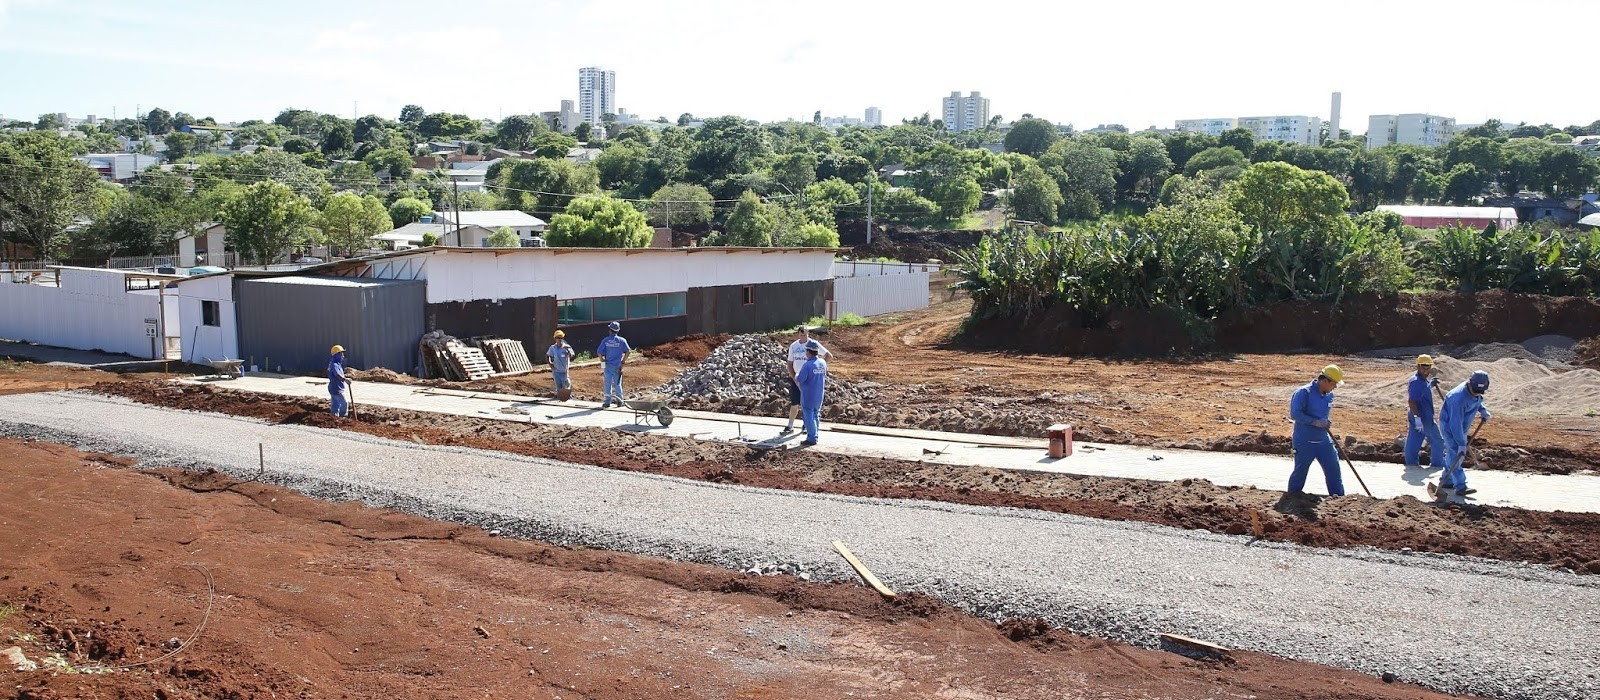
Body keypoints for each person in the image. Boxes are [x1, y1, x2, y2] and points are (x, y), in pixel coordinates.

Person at [1287, 364, 1345, 497]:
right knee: (1300, 471)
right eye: (1334, 384)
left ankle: (1338, 498)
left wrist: (1324, 422)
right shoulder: (1303, 393)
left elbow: (1322, 414)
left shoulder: (1329, 396)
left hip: (1323, 441)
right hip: (1304, 440)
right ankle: (1293, 498)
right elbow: (1295, 414)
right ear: (1325, 381)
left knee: (1333, 469)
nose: (1335, 387)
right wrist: (1314, 422)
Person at [1435, 370, 1492, 499]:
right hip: (1450, 428)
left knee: (1453, 455)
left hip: (1462, 426)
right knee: (1456, 455)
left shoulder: (1474, 389)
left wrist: (1482, 410)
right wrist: (1461, 443)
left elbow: (1476, 399)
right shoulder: (1458, 398)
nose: (1477, 393)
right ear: (1470, 384)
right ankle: (1461, 486)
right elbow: (1455, 425)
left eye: (1480, 392)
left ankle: (1447, 480)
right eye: (1476, 390)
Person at [784, 326, 832, 433]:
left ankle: (807, 425)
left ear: (808, 334)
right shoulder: (794, 346)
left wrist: (818, 367)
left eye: (805, 335)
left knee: (808, 403)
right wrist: (793, 377)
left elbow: (828, 355)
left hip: (809, 378)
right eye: (801, 335)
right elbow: (789, 363)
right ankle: (790, 425)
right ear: (798, 334)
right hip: (797, 377)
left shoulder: (812, 344)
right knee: (795, 402)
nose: (803, 337)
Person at [1403, 354, 1446, 469]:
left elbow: (1422, 392)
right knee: (1438, 441)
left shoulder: (1421, 380)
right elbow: (1412, 401)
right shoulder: (1416, 382)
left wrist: (1430, 385)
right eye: (1423, 367)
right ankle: (1437, 466)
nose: (1426, 370)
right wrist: (1417, 418)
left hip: (1418, 417)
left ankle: (1411, 466)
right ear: (1418, 366)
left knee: (1414, 441)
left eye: (1428, 367)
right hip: (1423, 418)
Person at [795, 340, 828, 446]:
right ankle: (815, 435)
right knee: (816, 414)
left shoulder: (808, 365)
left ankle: (812, 438)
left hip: (808, 394)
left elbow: (800, 378)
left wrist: (796, 376)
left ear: (808, 351)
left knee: (809, 415)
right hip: (819, 394)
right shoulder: (822, 363)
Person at [597, 321, 631, 408]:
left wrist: (602, 362)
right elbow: (628, 351)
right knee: (618, 384)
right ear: (617, 331)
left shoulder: (605, 340)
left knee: (607, 383)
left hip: (608, 365)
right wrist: (623, 361)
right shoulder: (622, 340)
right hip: (617, 366)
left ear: (610, 330)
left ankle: (607, 402)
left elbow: (599, 352)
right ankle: (619, 401)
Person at [547, 330, 574, 400]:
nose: (559, 339)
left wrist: (568, 352)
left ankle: (568, 398)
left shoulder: (566, 347)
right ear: (555, 338)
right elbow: (547, 355)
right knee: (558, 386)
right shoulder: (552, 348)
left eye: (561, 338)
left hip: (564, 370)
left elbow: (572, 355)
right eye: (558, 338)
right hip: (556, 370)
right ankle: (560, 398)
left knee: (567, 385)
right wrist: (550, 364)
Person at [327, 344, 352, 418]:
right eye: (341, 354)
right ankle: (343, 417)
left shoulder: (336, 364)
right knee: (344, 403)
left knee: (335, 403)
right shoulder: (334, 365)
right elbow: (337, 375)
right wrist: (345, 380)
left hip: (334, 387)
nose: (342, 356)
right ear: (336, 354)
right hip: (336, 388)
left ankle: (334, 417)